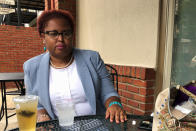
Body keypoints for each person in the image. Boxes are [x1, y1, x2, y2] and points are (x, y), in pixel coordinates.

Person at [23, 9, 127, 124]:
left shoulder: (92, 58)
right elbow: (34, 103)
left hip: (96, 126)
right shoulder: (32, 67)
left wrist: (114, 104)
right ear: (43, 37)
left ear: (72, 35)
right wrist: (42, 116)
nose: (61, 39)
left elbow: (108, 92)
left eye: (66, 33)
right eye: (53, 34)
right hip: (58, 127)